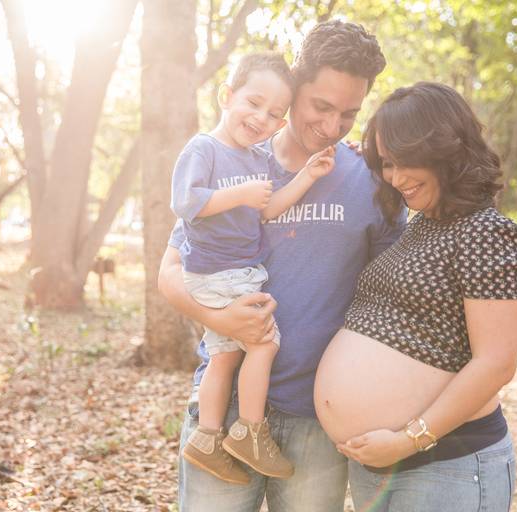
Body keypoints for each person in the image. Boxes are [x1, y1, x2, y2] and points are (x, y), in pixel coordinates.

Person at [159, 20, 404, 511]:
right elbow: (169, 271)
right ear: (293, 90)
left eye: (349, 114)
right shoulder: (229, 161)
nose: (333, 127)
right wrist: (219, 319)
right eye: (322, 107)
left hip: (318, 415)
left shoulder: (372, 183)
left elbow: (392, 298)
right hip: (222, 409)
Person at [314, 82, 517, 511]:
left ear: (441, 147)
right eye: (387, 164)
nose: (395, 179)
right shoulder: (421, 226)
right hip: (383, 466)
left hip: (445, 463)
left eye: (404, 161)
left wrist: (406, 440)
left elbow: (496, 363)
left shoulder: (486, 232)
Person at [172, 52, 336, 485]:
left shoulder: (256, 161)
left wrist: (307, 176)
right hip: (216, 270)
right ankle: (250, 431)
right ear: (227, 96)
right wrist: (238, 193)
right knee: (263, 344)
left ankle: (207, 438)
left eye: (274, 114)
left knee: (225, 355)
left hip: (235, 271)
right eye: (253, 102)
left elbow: (266, 210)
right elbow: (185, 204)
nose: (261, 118)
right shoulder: (203, 148)